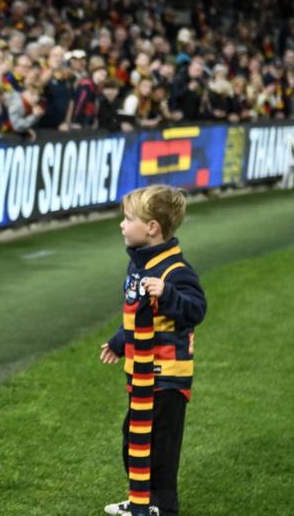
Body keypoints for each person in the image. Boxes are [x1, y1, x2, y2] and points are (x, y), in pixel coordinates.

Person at [100, 186, 206, 516]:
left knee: (161, 450)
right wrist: (119, 342)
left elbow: (196, 310)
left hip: (168, 381)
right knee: (133, 440)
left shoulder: (175, 271)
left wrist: (170, 294)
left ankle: (163, 507)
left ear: (152, 228)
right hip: (141, 377)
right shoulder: (138, 267)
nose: (121, 224)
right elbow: (137, 314)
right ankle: (140, 503)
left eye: (128, 218)